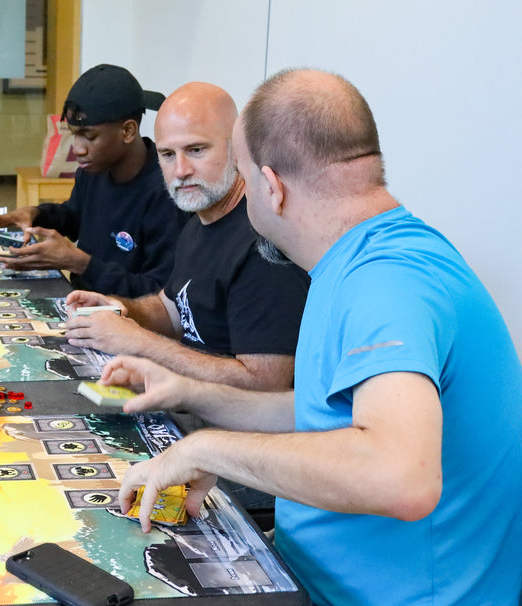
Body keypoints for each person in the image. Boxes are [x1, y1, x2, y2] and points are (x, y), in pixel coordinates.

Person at [107, 69, 522, 604]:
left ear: (271, 187)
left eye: (244, 179)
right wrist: (191, 393)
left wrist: (210, 449)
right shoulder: (354, 258)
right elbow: (325, 411)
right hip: (304, 571)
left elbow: (402, 477)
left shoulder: (387, 282)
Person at [66, 82, 308, 391]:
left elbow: (264, 384)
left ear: (237, 147)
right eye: (168, 154)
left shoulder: (263, 242)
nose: (180, 170)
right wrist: (120, 310)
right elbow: (172, 311)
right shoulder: (198, 221)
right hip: (186, 402)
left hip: (221, 418)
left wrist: (137, 341)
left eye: (196, 150)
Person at [0, 64, 186, 297]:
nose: (77, 149)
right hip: (80, 300)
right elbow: (75, 217)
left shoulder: (167, 193)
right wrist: (35, 214)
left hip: (124, 313)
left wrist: (80, 263)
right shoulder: (94, 169)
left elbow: (161, 297)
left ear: (127, 131)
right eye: (74, 134)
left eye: (89, 136)